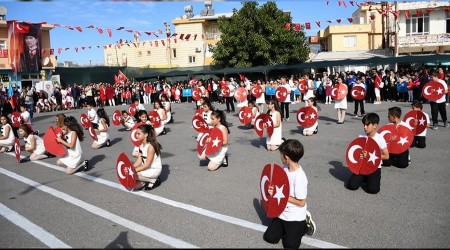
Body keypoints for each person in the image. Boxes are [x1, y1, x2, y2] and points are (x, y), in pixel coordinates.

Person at [263, 139, 316, 248]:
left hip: (295, 215)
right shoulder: (284, 168)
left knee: (290, 246)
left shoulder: (300, 177)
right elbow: (278, 188)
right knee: (270, 238)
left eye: (281, 155)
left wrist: (283, 196)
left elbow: (301, 202)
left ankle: (305, 223)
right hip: (282, 211)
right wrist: (272, 190)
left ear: (286, 158)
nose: (280, 157)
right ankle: (289, 230)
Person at [346, 113, 389, 194]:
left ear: (375, 125)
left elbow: (386, 156)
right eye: (364, 125)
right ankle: (365, 178)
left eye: (367, 125)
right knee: (352, 186)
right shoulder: (361, 136)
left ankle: (370, 178)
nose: (364, 127)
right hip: (362, 165)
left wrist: (370, 156)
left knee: (373, 190)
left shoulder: (380, 138)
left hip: (374, 166)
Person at [131, 124, 162, 190]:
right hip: (146, 168)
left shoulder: (151, 147)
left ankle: (154, 180)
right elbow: (139, 160)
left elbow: (148, 164)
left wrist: (133, 171)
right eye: (136, 133)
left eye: (139, 134)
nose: (136, 135)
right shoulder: (141, 145)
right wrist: (131, 168)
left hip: (153, 170)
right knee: (134, 186)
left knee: (132, 175)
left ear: (146, 135)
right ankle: (146, 179)